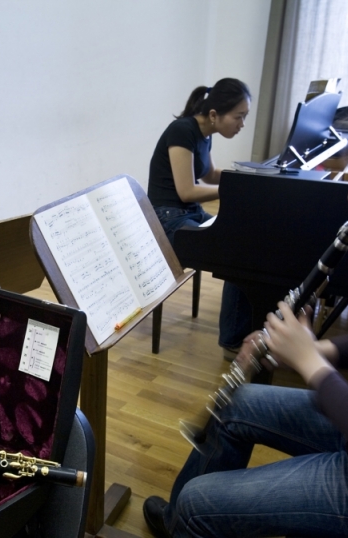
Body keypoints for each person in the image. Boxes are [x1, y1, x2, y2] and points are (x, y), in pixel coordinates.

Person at [143, 92, 348, 537]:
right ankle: (184, 524)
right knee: (236, 405)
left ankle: (191, 519)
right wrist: (319, 347)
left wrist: (308, 362)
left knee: (203, 504)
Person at [146, 78, 253, 359]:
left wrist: (249, 177)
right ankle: (232, 341)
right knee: (237, 254)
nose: (242, 124)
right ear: (215, 115)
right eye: (239, 117)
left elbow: (210, 175)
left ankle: (246, 328)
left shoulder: (205, 133)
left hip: (187, 213)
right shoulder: (182, 131)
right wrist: (234, 190)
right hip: (167, 220)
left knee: (245, 239)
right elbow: (186, 190)